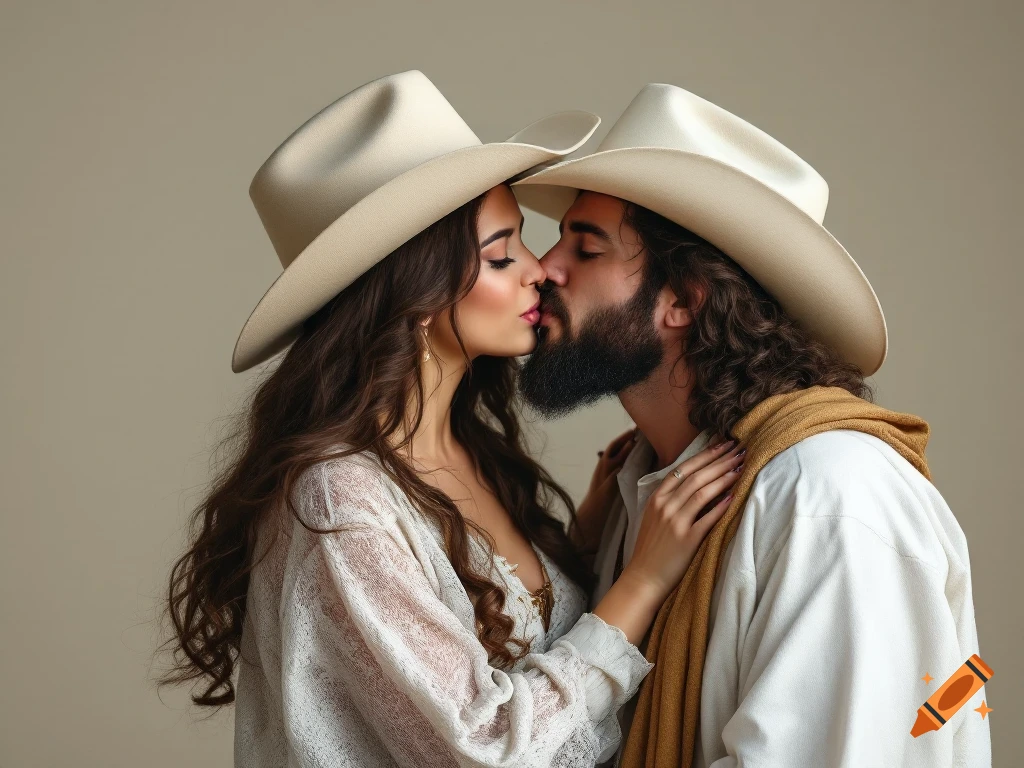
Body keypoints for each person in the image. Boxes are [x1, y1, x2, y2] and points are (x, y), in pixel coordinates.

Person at [158, 70, 744, 768]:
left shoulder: (473, 455)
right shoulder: (341, 500)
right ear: (417, 294)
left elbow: (508, 650)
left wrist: (582, 549)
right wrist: (640, 584)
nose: (540, 271)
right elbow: (484, 747)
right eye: (501, 255)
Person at [513, 83, 992, 767]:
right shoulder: (645, 487)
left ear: (681, 299)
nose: (543, 267)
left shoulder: (831, 496)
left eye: (585, 248)